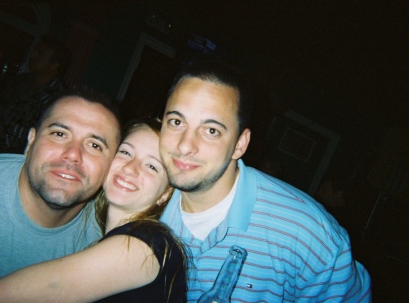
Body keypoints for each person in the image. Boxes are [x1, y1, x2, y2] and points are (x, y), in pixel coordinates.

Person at [159, 61, 372, 302]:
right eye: (176, 122)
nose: (185, 145)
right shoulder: (140, 204)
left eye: (211, 130)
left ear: (240, 144)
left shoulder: (305, 231)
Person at [0, 118, 188, 303]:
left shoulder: (146, 246)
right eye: (126, 153)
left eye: (151, 166)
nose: (130, 168)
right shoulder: (102, 234)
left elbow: (39, 291)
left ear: (166, 193)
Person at [0, 88, 121, 283]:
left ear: (113, 165)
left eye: (94, 145)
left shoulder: (109, 241)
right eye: (59, 134)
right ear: (31, 141)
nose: (72, 154)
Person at [0, 34, 70, 154]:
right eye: (34, 51)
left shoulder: (60, 99)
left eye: (40, 53)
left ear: (54, 65)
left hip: (16, 160)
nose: (33, 55)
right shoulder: (20, 82)